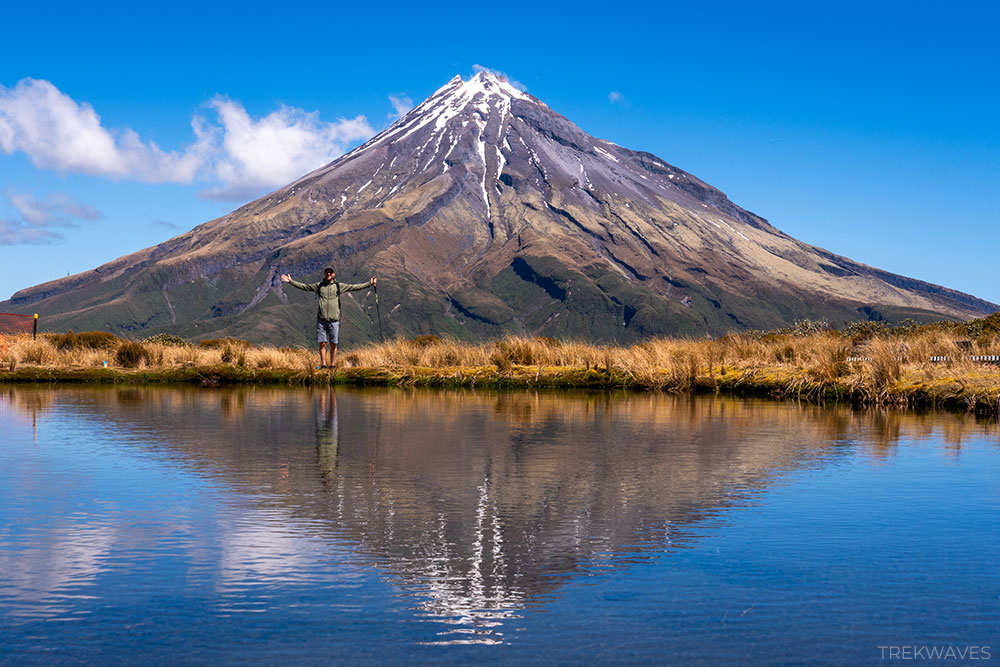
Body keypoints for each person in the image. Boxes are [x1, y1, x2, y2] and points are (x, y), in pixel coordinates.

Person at [280, 267, 376, 368]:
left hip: (334, 320)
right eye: (327, 272)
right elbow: (305, 287)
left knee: (333, 344)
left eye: (330, 272)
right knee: (322, 344)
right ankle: (323, 365)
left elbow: (354, 287)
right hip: (322, 320)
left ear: (334, 274)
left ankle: (333, 365)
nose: (328, 274)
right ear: (325, 274)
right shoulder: (319, 286)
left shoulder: (339, 286)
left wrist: (369, 283)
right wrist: (291, 281)